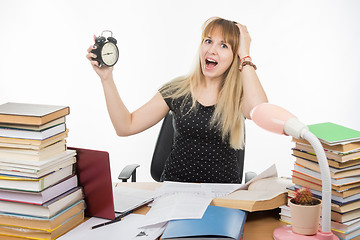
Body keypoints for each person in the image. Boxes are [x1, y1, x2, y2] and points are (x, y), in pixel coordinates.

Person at [86, 17, 268, 183]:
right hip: (173, 192)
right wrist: (106, 78)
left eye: (223, 46)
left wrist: (245, 55)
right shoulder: (177, 90)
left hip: (222, 198)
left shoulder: (240, 96)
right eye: (208, 41)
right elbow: (125, 126)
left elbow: (262, 111)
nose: (212, 50)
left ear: (234, 55)